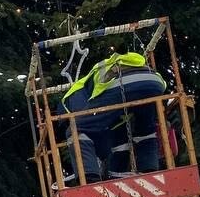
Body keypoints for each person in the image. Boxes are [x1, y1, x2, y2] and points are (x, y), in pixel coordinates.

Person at [60, 51, 168, 181]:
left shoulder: (71, 98)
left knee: (75, 129)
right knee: (145, 130)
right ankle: (149, 169)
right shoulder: (94, 84)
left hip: (122, 82)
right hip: (155, 83)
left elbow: (88, 124)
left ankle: (89, 178)